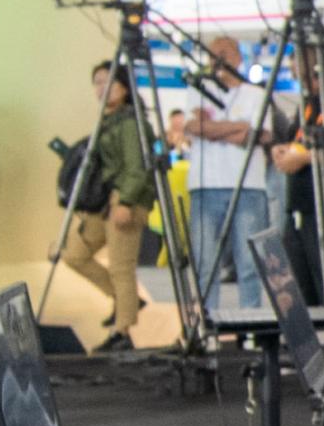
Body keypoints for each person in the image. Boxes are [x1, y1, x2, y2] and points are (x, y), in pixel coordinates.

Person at [176, 31, 288, 312]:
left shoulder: (256, 94)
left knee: (249, 261)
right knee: (205, 262)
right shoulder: (198, 90)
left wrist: (214, 131)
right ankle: (208, 320)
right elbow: (191, 128)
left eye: (223, 55)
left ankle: (249, 320)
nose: (216, 61)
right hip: (205, 185)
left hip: (248, 186)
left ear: (237, 58)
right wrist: (238, 128)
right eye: (212, 56)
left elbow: (258, 136)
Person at [54, 61, 161, 351]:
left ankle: (122, 332)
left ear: (124, 88)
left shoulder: (129, 123)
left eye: (108, 82)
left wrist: (125, 201)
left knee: (121, 267)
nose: (101, 88)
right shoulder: (109, 120)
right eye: (97, 82)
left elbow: (137, 167)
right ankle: (126, 302)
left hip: (125, 200)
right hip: (103, 203)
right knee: (74, 254)